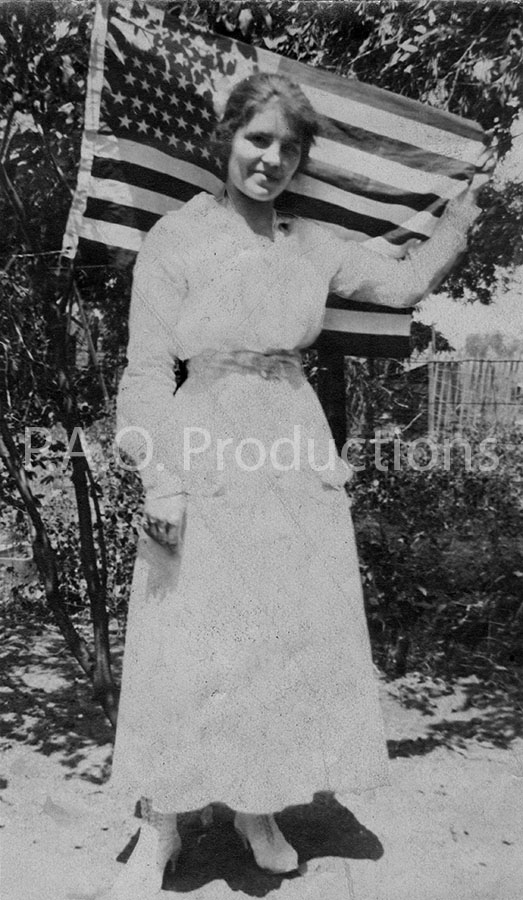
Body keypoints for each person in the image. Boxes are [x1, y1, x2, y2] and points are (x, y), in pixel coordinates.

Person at [107, 73, 494, 899]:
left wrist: (458, 222)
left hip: (290, 447)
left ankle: (256, 809)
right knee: (184, 641)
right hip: (201, 445)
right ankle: (161, 823)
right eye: (258, 139)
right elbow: (144, 372)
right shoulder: (178, 237)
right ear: (227, 138)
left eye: (288, 147)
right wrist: (161, 479)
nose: (271, 159)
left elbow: (400, 284)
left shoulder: (311, 243)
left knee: (276, 640)